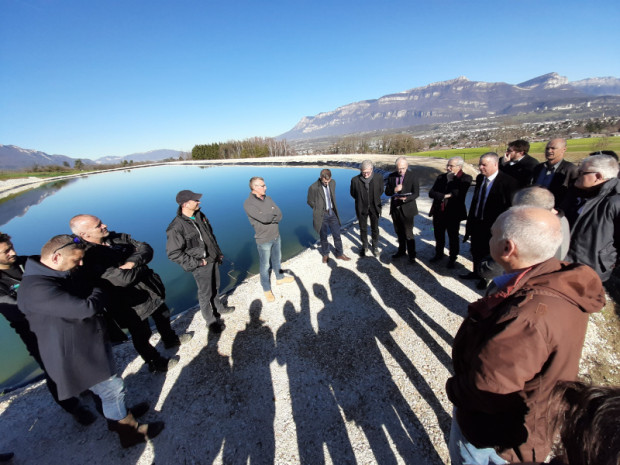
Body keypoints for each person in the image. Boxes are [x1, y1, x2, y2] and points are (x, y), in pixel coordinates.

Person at [446, 206, 605, 464]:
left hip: (499, 440)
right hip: (536, 417)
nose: (489, 238)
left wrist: (454, 388)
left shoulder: (525, 317)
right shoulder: (560, 280)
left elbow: (487, 388)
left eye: (492, 234)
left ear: (507, 248)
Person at [17, 235, 164, 448]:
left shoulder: (50, 274)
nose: (81, 264)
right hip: (76, 353)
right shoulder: (37, 289)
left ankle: (119, 417)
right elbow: (86, 308)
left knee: (107, 390)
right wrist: (99, 287)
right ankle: (129, 431)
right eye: (76, 260)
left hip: (84, 344)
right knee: (112, 388)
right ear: (56, 257)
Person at [0, 233, 96, 425]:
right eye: (6, 251)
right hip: (34, 332)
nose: (13, 252)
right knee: (53, 370)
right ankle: (74, 407)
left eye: (11, 246)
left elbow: (61, 276)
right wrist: (52, 299)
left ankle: (85, 386)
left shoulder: (29, 262)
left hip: (62, 320)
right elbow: (15, 311)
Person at [71, 215, 188, 372]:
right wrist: (142, 265)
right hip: (127, 303)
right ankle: (154, 361)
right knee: (141, 334)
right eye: (98, 226)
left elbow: (146, 248)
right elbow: (123, 279)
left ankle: (170, 339)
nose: (104, 225)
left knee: (163, 315)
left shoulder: (115, 237)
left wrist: (132, 262)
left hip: (149, 290)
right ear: (84, 235)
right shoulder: (88, 257)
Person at [166, 190, 234, 333]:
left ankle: (219, 308)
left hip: (213, 259)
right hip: (200, 264)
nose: (199, 202)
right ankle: (211, 322)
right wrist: (197, 263)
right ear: (185, 204)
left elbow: (210, 236)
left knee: (215, 286)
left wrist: (218, 253)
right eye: (195, 200)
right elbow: (173, 253)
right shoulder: (176, 227)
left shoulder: (199, 215)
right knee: (204, 293)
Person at [479, 186, 571, 280]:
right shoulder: (562, 220)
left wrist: (486, 266)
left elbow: (491, 270)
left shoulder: (534, 229)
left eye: (519, 211)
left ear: (532, 211)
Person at [462, 152, 518, 289]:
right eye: (479, 164)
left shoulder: (509, 182)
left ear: (495, 164)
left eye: (484, 165)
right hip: (477, 221)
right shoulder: (481, 179)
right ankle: (476, 272)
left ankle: (485, 277)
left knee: (489, 252)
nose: (480, 167)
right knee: (475, 249)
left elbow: (512, 208)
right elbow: (476, 201)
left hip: (493, 226)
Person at [561, 155, 620, 282]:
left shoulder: (614, 202)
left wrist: (608, 262)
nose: (577, 175)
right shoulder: (575, 193)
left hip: (591, 268)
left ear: (598, 176)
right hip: (565, 262)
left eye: (581, 172)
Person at [243, 177, 294, 302]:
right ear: (254, 187)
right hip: (263, 239)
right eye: (262, 186)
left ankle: (280, 278)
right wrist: (271, 214)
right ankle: (266, 289)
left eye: (265, 185)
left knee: (277, 259)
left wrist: (269, 214)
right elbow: (264, 219)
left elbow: (280, 214)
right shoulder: (248, 204)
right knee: (265, 265)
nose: (265, 188)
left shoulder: (268, 198)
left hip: (276, 235)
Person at [428, 156, 472, 268]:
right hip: (438, 211)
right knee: (438, 235)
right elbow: (431, 193)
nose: (448, 168)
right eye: (447, 165)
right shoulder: (441, 177)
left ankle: (453, 258)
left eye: (451, 166)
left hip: (453, 213)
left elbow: (458, 194)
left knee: (453, 237)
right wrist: (444, 195)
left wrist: (450, 181)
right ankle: (439, 253)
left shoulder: (465, 178)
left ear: (459, 166)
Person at [307, 169, 350, 263]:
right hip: (322, 215)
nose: (327, 183)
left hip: (332, 213)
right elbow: (309, 201)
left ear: (330, 178)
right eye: (325, 181)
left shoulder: (333, 182)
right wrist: (318, 208)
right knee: (323, 237)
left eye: (328, 181)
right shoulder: (313, 187)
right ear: (320, 178)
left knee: (337, 234)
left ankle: (339, 254)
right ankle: (325, 254)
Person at [385, 157, 420, 263]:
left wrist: (406, 199)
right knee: (399, 232)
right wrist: (394, 190)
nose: (401, 171)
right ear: (396, 167)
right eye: (399, 168)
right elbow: (387, 192)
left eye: (403, 168)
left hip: (408, 209)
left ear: (407, 166)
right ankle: (401, 251)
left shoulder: (413, 176)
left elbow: (416, 193)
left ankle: (412, 255)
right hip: (395, 209)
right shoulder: (391, 176)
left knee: (408, 233)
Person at [350, 160, 384, 257]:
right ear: (360, 170)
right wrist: (362, 201)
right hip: (361, 208)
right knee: (363, 228)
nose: (365, 174)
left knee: (375, 228)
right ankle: (364, 246)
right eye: (363, 172)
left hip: (374, 207)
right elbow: (353, 193)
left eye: (367, 172)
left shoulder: (379, 178)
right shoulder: (354, 180)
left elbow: (381, 191)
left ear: (372, 170)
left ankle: (375, 246)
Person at [531, 138, 578, 207]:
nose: (549, 151)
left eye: (553, 148)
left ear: (563, 150)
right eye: (547, 148)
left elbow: (573, 195)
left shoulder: (570, 169)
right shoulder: (538, 168)